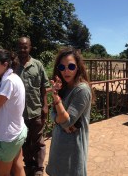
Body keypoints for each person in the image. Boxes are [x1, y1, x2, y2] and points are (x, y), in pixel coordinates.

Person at [46, 47, 92, 176]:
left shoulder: (82, 90)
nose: (66, 71)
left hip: (73, 148)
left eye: (71, 66)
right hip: (59, 143)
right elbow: (53, 115)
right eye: (62, 67)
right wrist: (59, 119)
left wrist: (56, 99)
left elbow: (67, 121)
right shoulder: (64, 87)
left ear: (78, 67)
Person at [14, 37, 50, 175]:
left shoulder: (38, 65)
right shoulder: (13, 66)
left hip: (36, 109)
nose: (23, 50)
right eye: (20, 47)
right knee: (25, 141)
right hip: (19, 114)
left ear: (30, 47)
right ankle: (29, 165)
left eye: (25, 47)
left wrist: (45, 106)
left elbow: (43, 87)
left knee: (38, 141)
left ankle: (39, 168)